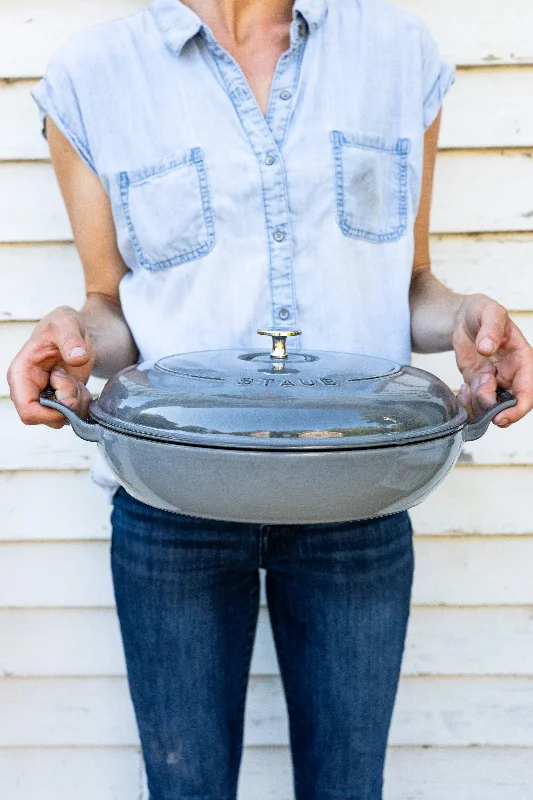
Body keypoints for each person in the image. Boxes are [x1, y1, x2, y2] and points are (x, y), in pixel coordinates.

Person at [7, 0, 533, 797]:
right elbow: (111, 311)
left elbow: (412, 287)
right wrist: (69, 338)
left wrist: (463, 317)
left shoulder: (395, 54)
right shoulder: (93, 77)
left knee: (347, 788)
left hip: (356, 497)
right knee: (186, 790)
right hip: (171, 504)